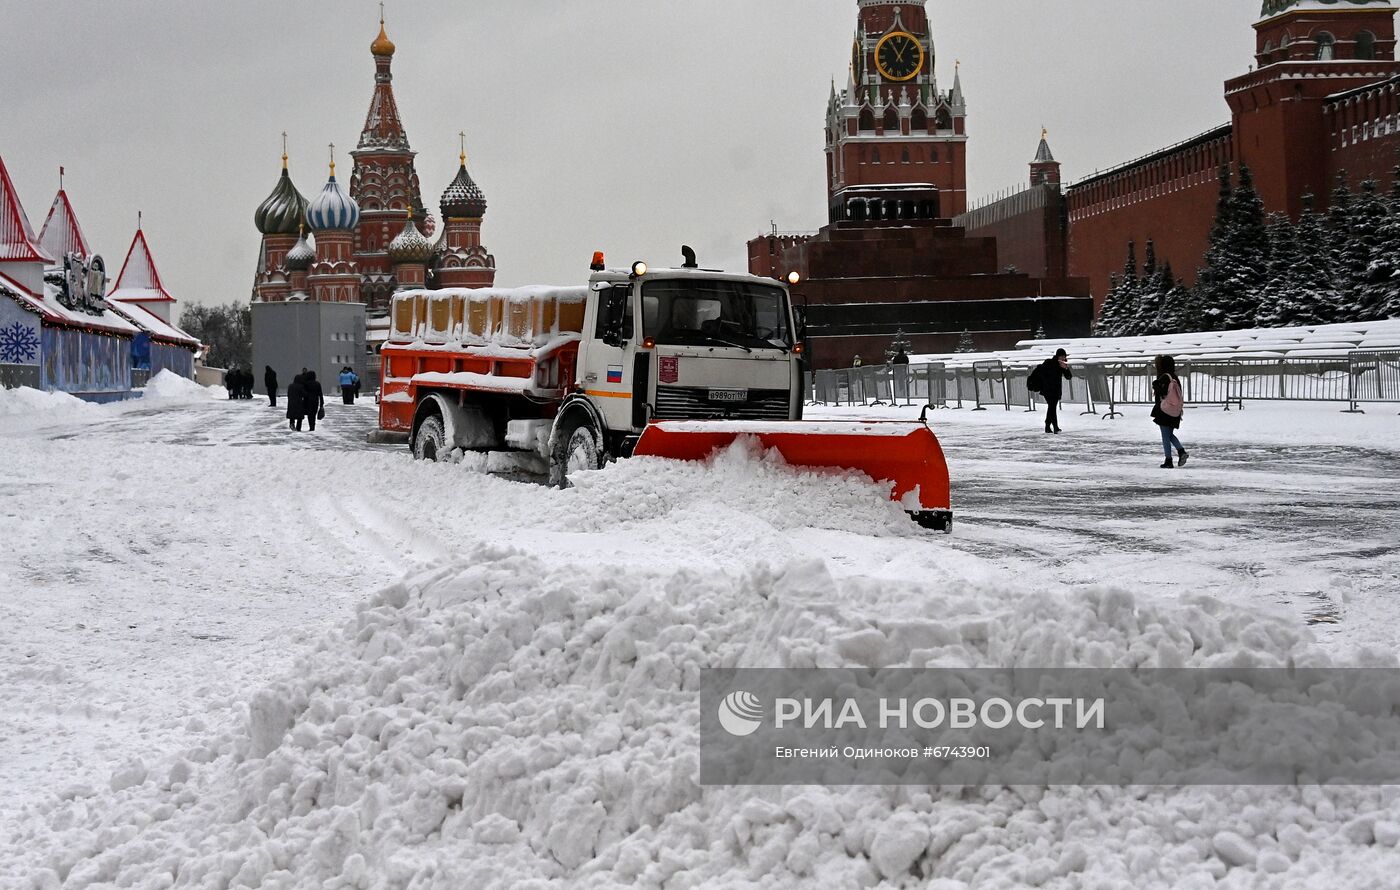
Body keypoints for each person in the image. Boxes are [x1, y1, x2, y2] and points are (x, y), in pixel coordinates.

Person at [1152, 355, 1190, 469]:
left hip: (1165, 410)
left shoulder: (1164, 377)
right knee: (1168, 434)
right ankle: (1180, 452)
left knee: (1165, 436)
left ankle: (1169, 459)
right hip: (1174, 411)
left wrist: (1155, 384)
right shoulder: (1174, 378)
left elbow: (1162, 392)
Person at [1029, 348, 1072, 433]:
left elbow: (1069, 377)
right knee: (1052, 407)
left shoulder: (1062, 365)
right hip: (1047, 389)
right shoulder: (1049, 363)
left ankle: (1047, 425)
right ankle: (1055, 427)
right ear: (1058, 356)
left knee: (1051, 407)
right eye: (1062, 356)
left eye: (1064, 356)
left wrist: (1066, 368)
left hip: (1055, 390)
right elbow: (1043, 374)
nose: (1063, 358)